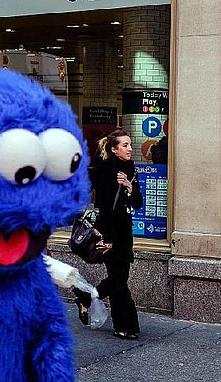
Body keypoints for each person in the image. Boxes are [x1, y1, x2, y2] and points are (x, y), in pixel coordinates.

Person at [75, 128, 143, 340]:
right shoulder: (107, 171)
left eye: (130, 145)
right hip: (111, 233)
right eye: (125, 145)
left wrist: (130, 188)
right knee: (119, 280)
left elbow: (138, 203)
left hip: (125, 232)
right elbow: (105, 207)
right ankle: (126, 325)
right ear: (114, 149)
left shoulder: (129, 170)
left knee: (118, 279)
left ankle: (87, 297)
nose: (130, 149)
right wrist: (109, 239)